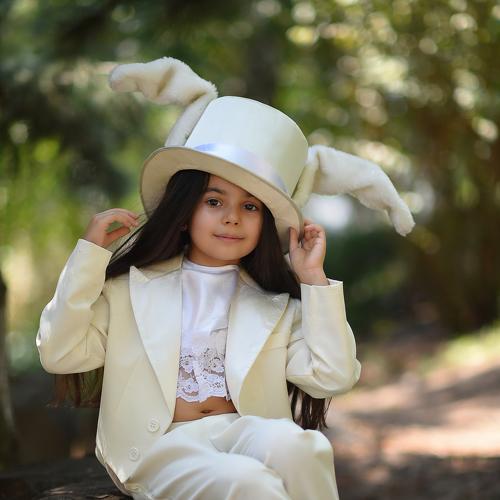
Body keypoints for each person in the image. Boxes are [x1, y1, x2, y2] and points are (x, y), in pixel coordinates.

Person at [36, 57, 415, 500]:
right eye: (214, 201)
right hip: (158, 448)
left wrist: (313, 279)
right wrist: (89, 258)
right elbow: (59, 353)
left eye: (250, 206)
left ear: (264, 223)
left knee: (301, 446)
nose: (232, 217)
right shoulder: (127, 291)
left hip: (245, 431)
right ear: (184, 211)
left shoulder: (275, 305)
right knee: (247, 482)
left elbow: (332, 377)